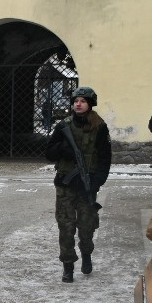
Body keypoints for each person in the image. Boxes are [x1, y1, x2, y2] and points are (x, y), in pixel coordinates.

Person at [45, 86, 112, 283]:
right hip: (65, 185)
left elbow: (105, 159)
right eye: (76, 101)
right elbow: (49, 153)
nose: (78, 104)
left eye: (82, 101)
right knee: (65, 226)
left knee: (86, 226)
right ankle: (67, 266)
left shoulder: (100, 127)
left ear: (90, 104)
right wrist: (63, 149)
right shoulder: (63, 126)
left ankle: (86, 254)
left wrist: (96, 182)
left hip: (87, 186)